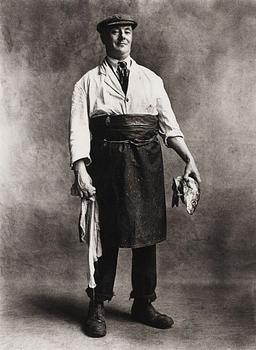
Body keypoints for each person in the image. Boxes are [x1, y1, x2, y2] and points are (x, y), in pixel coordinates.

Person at [69, 14, 201, 338]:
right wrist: (81, 170)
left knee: (146, 235)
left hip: (147, 163)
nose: (122, 38)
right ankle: (97, 303)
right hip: (107, 164)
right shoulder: (87, 83)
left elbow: (170, 127)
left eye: (127, 32)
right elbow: (78, 132)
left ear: (132, 37)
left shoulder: (152, 80)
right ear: (104, 38)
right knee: (107, 235)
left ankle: (143, 302)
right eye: (115, 33)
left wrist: (190, 159)